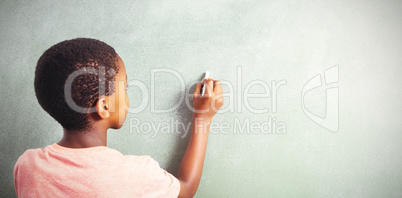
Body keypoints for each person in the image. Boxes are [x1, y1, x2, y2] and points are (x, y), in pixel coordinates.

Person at [13, 38, 224, 197]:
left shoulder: (28, 166)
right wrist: (203, 118)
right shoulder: (135, 173)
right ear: (104, 106)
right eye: (125, 87)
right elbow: (186, 187)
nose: (128, 95)